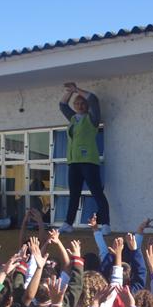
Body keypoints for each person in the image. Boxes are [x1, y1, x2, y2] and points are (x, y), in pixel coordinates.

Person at [59, 82, 110, 235]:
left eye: (83, 103)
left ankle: (106, 224)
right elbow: (62, 105)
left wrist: (76, 90)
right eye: (77, 103)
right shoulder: (73, 119)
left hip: (89, 161)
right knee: (74, 194)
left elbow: (93, 98)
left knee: (96, 193)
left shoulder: (92, 118)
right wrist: (69, 92)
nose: (80, 105)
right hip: (74, 161)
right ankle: (68, 223)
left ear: (87, 106)